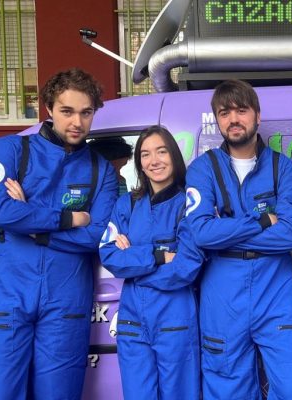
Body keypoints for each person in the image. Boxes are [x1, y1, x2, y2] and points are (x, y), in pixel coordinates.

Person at [0, 68, 118, 399]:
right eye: (67, 111)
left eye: (86, 113)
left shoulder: (101, 170)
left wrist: (33, 227)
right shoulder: (11, 150)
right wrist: (70, 218)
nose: (77, 122)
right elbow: (3, 212)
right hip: (8, 294)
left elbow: (97, 235)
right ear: (49, 108)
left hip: (66, 298)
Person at [185, 79, 292, 399]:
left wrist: (224, 231)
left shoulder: (284, 168)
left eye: (241, 110)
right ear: (217, 120)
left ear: (257, 115)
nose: (233, 119)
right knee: (227, 390)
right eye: (224, 112)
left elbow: (290, 234)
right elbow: (201, 232)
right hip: (223, 296)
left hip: (276, 292)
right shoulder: (202, 169)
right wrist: (262, 221)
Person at [99, 125, 203, 399]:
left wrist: (133, 265)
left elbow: (186, 268)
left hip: (175, 320)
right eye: (145, 154)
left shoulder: (190, 205)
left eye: (161, 151)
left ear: (174, 156)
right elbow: (109, 255)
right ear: (139, 163)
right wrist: (158, 256)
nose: (154, 161)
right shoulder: (127, 205)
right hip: (133, 322)